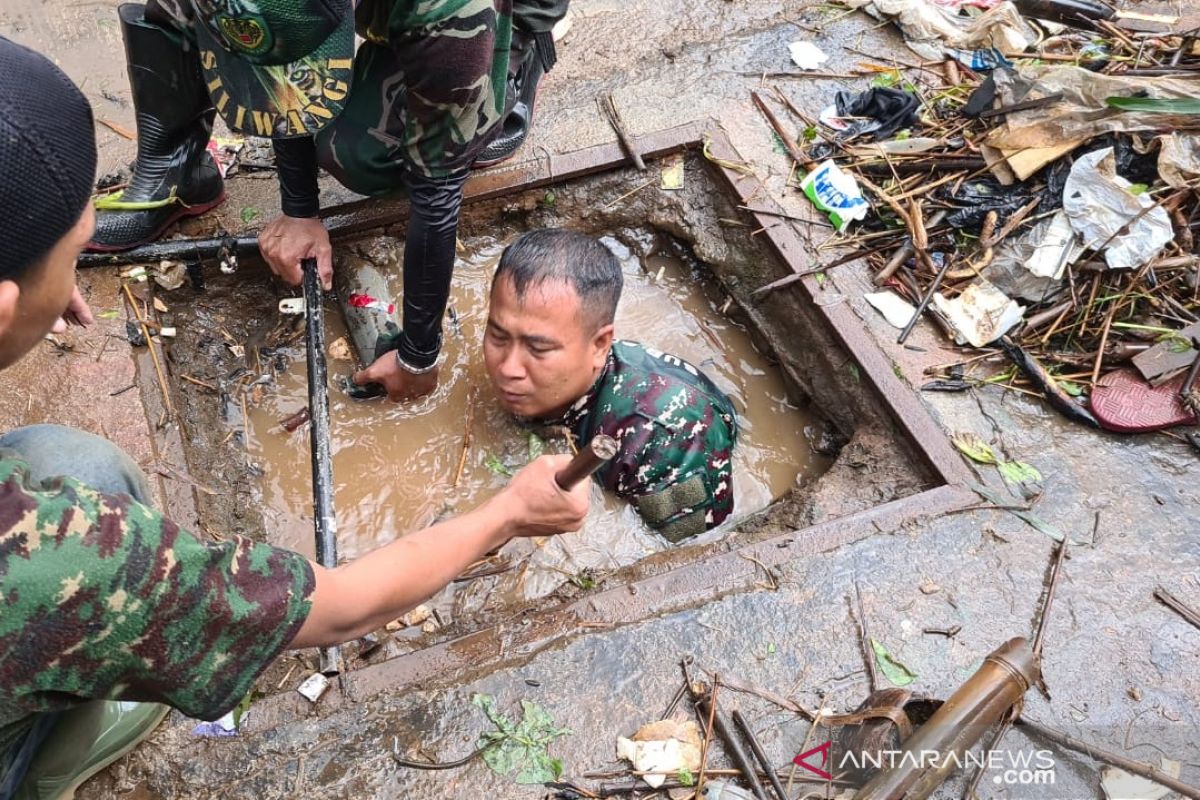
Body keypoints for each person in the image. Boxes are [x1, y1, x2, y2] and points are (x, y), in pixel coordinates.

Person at [0, 37, 588, 800]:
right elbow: (339, 610)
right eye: (73, 255)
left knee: (84, 468)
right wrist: (509, 509)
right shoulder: (65, 564)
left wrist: (34, 293)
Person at [88, 0, 569, 402]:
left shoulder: (448, 8)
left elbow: (437, 191)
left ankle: (513, 68)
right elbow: (276, 74)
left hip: (476, 19)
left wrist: (418, 356)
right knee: (172, 9)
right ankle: (178, 170)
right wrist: (300, 209)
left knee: (359, 154)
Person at [483, 229, 740, 543]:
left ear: (600, 345)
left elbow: (689, 551)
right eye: (498, 336)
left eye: (538, 350)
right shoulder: (548, 370)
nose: (508, 368)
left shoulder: (666, 443)